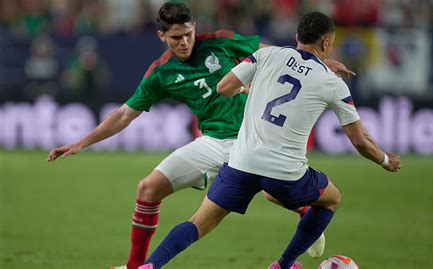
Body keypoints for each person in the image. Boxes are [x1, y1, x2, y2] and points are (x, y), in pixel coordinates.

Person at [46, 3, 354, 269]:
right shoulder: (160, 73)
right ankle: (135, 266)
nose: (184, 42)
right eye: (176, 37)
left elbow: (274, 55)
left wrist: (320, 63)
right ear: (161, 37)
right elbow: (125, 115)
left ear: (195, 28)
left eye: (189, 33)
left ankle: (305, 212)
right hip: (211, 141)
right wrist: (80, 143)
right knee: (148, 189)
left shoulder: (220, 42)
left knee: (272, 191)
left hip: (251, 141)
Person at [139, 11, 401, 269]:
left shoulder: (266, 55)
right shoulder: (332, 83)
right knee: (331, 199)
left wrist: (248, 88)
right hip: (285, 174)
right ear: (326, 43)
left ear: (297, 35)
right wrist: (385, 160)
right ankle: (283, 265)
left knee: (197, 223)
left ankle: (150, 266)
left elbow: (223, 88)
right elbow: (360, 141)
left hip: (241, 164)